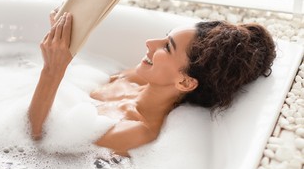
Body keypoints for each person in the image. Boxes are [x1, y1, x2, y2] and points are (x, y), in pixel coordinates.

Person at [28, 9, 276, 157]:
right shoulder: (135, 77)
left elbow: (40, 140)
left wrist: (52, 70)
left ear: (185, 82)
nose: (150, 42)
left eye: (167, 47)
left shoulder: (138, 130)